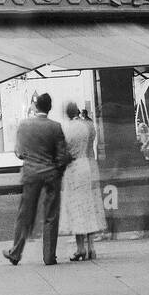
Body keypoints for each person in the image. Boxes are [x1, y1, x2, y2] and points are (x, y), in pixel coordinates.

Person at [3, 92, 70, 266]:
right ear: (49, 108)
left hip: (31, 174)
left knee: (25, 214)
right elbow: (62, 156)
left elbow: (19, 152)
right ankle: (49, 256)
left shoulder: (24, 125)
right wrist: (57, 171)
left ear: (35, 106)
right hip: (51, 174)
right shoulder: (56, 127)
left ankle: (16, 252)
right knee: (51, 215)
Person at [59, 102, 107, 262]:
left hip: (73, 168)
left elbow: (63, 150)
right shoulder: (87, 126)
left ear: (67, 112)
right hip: (87, 165)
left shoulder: (66, 128)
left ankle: (80, 248)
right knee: (88, 205)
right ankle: (91, 247)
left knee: (76, 206)